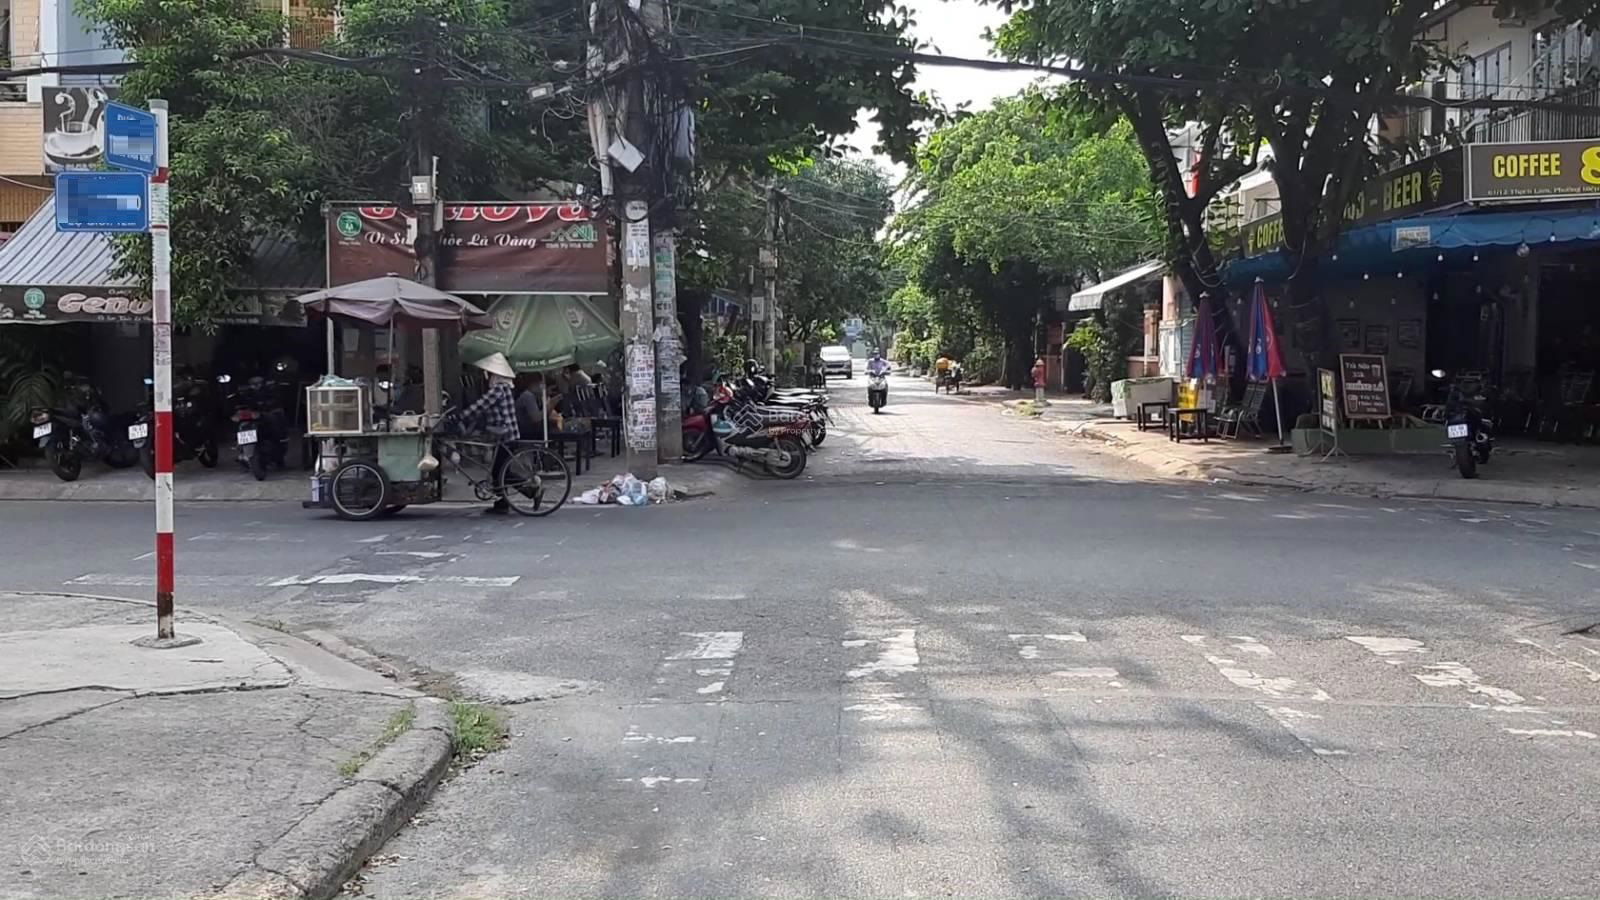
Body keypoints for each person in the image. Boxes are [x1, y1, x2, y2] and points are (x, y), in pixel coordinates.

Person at [459, 353, 520, 514]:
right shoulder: (505, 388)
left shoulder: (498, 390)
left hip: (505, 436)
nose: (487, 377)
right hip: (507, 434)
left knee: (500, 472)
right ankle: (502, 503)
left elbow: (480, 406)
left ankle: (531, 490)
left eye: (490, 373)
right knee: (500, 470)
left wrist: (461, 416)